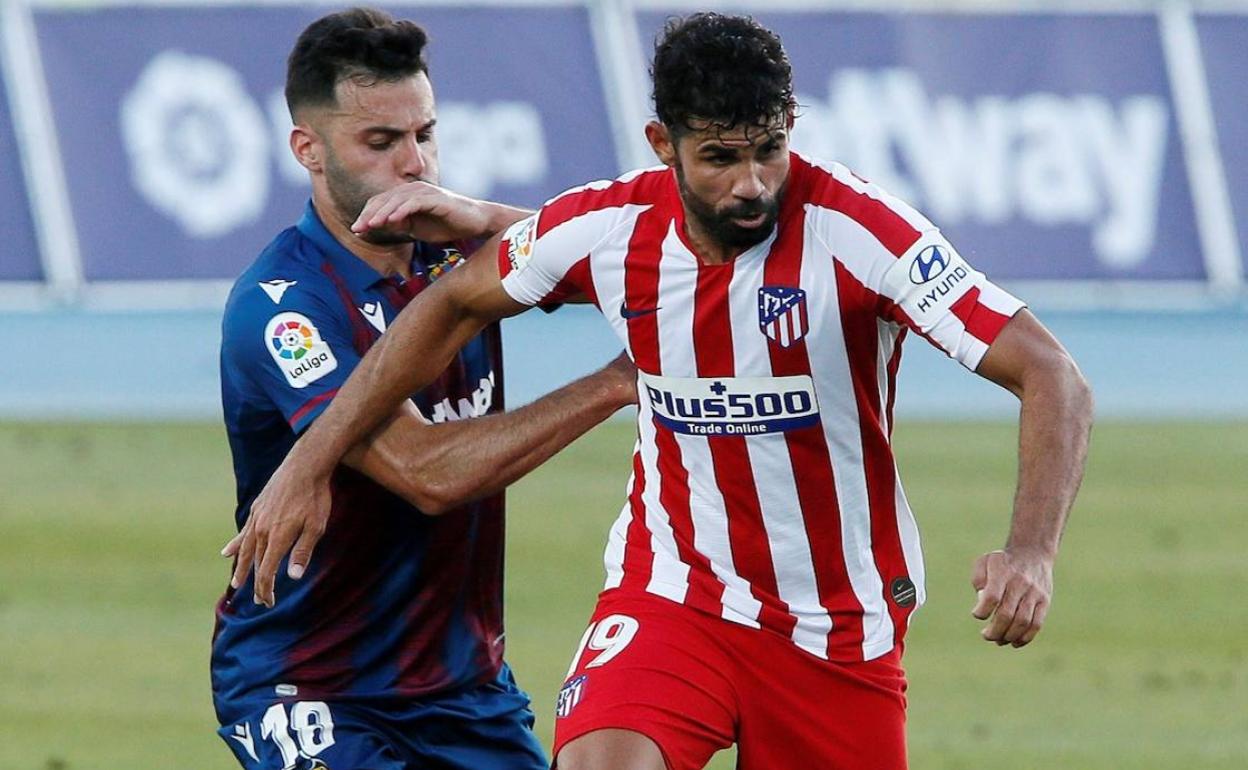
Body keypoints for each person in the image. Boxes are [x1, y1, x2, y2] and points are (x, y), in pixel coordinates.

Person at [230, 12, 1094, 770]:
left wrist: (1032, 551)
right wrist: (314, 457)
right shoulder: (611, 227)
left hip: (836, 625)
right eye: (719, 157)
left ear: (791, 127)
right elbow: (460, 298)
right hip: (672, 594)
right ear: (663, 144)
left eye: (768, 152)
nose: (750, 183)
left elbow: (1051, 371)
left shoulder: (863, 233)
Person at [212, 8, 637, 770]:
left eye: (425, 134)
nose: (414, 164)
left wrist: (487, 219)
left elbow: (634, 261)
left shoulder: (459, 244)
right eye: (380, 142)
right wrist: (615, 385)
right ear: (307, 150)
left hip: (463, 690)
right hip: (311, 687)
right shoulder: (284, 308)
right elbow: (426, 473)